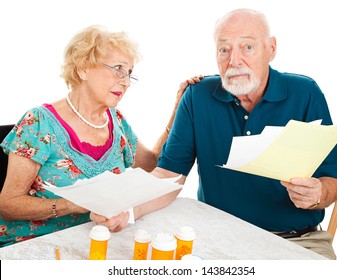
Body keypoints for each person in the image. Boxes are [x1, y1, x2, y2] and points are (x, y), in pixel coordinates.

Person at [139, 9, 337, 259]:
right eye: (224, 49)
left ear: (271, 48)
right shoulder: (197, 96)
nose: (234, 61)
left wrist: (317, 194)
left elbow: (333, 180)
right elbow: (168, 175)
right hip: (217, 237)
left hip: (297, 239)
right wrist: (126, 209)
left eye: (247, 47)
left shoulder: (305, 93)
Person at [0, 25, 200, 247]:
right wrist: (73, 205)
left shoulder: (116, 120)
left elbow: (151, 163)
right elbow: (8, 204)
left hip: (94, 240)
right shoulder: (38, 122)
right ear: (83, 69)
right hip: (35, 244)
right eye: (118, 69)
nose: (125, 81)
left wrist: (177, 112)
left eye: (130, 73)